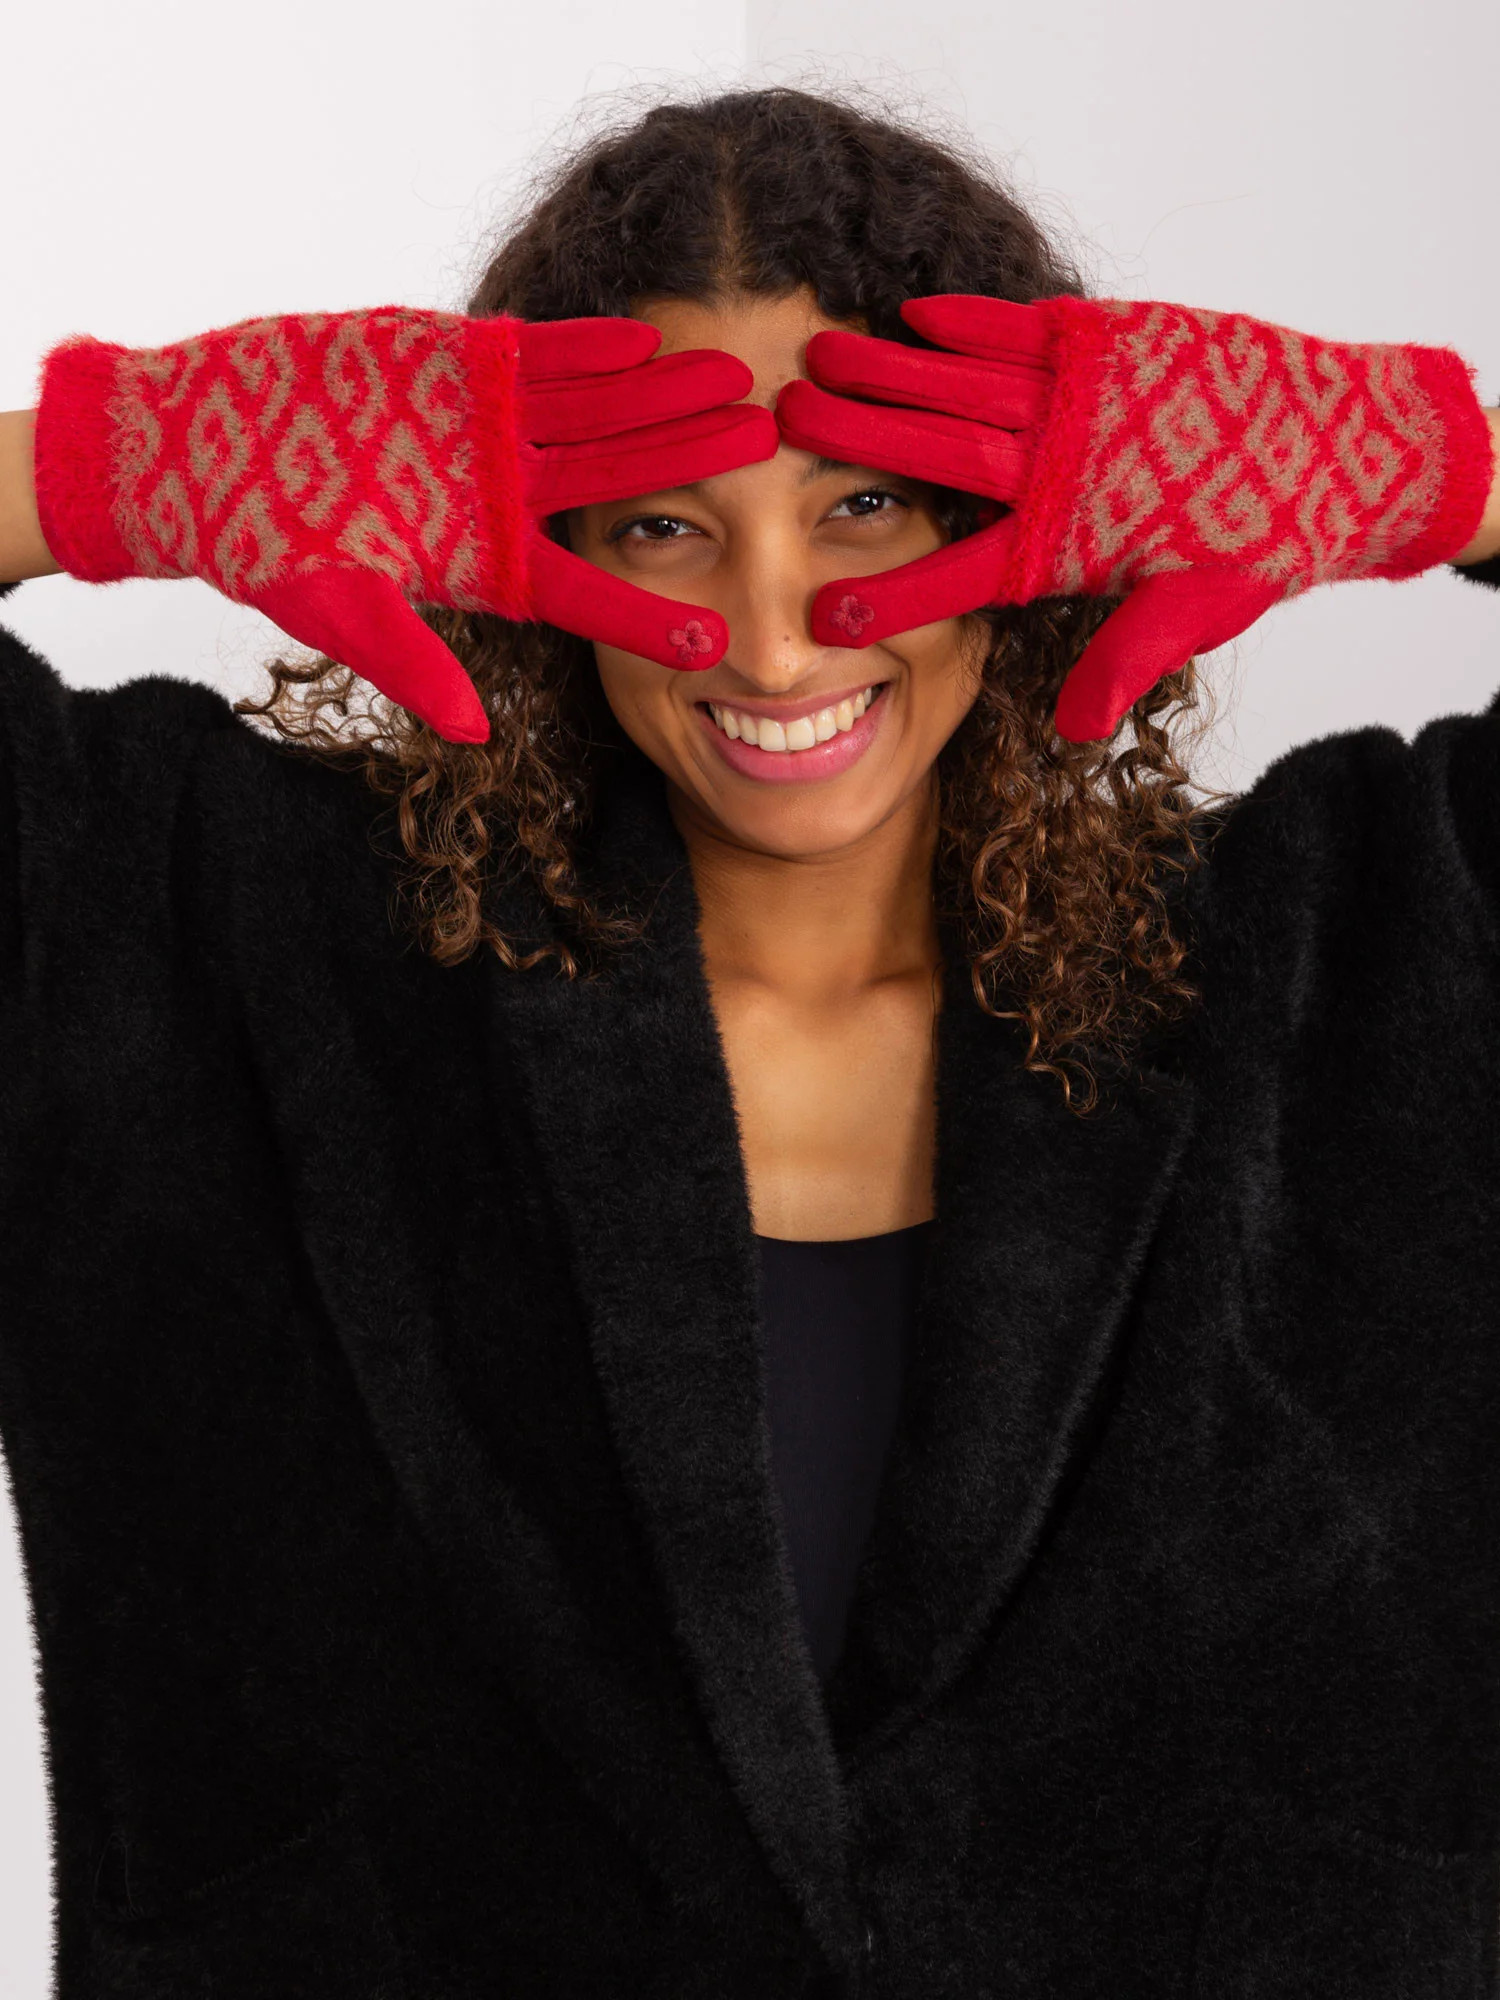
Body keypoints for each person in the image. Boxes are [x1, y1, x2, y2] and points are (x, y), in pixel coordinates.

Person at [1, 82, 1498, 2000]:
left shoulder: (1362, 952)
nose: (776, 639)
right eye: (662, 527)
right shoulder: (224, 945)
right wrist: (99, 469)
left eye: (863, 505)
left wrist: (1440, 468)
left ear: (1034, 511)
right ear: (523, 538)